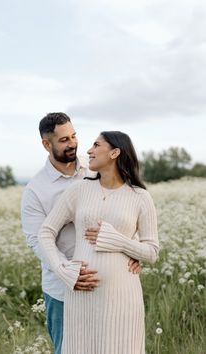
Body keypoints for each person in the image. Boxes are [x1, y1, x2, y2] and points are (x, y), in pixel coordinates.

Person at [21, 114, 141, 354]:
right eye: (64, 139)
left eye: (74, 135)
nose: (73, 143)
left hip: (108, 286)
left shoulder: (95, 169)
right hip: (63, 289)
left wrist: (133, 248)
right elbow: (37, 239)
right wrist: (68, 271)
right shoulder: (35, 190)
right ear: (47, 144)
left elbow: (123, 210)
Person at [38, 130, 159, 354]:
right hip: (82, 295)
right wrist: (63, 269)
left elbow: (151, 252)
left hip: (123, 296)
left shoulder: (140, 197)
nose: (88, 151)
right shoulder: (79, 190)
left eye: (96, 145)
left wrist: (119, 241)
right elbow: (45, 232)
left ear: (114, 152)